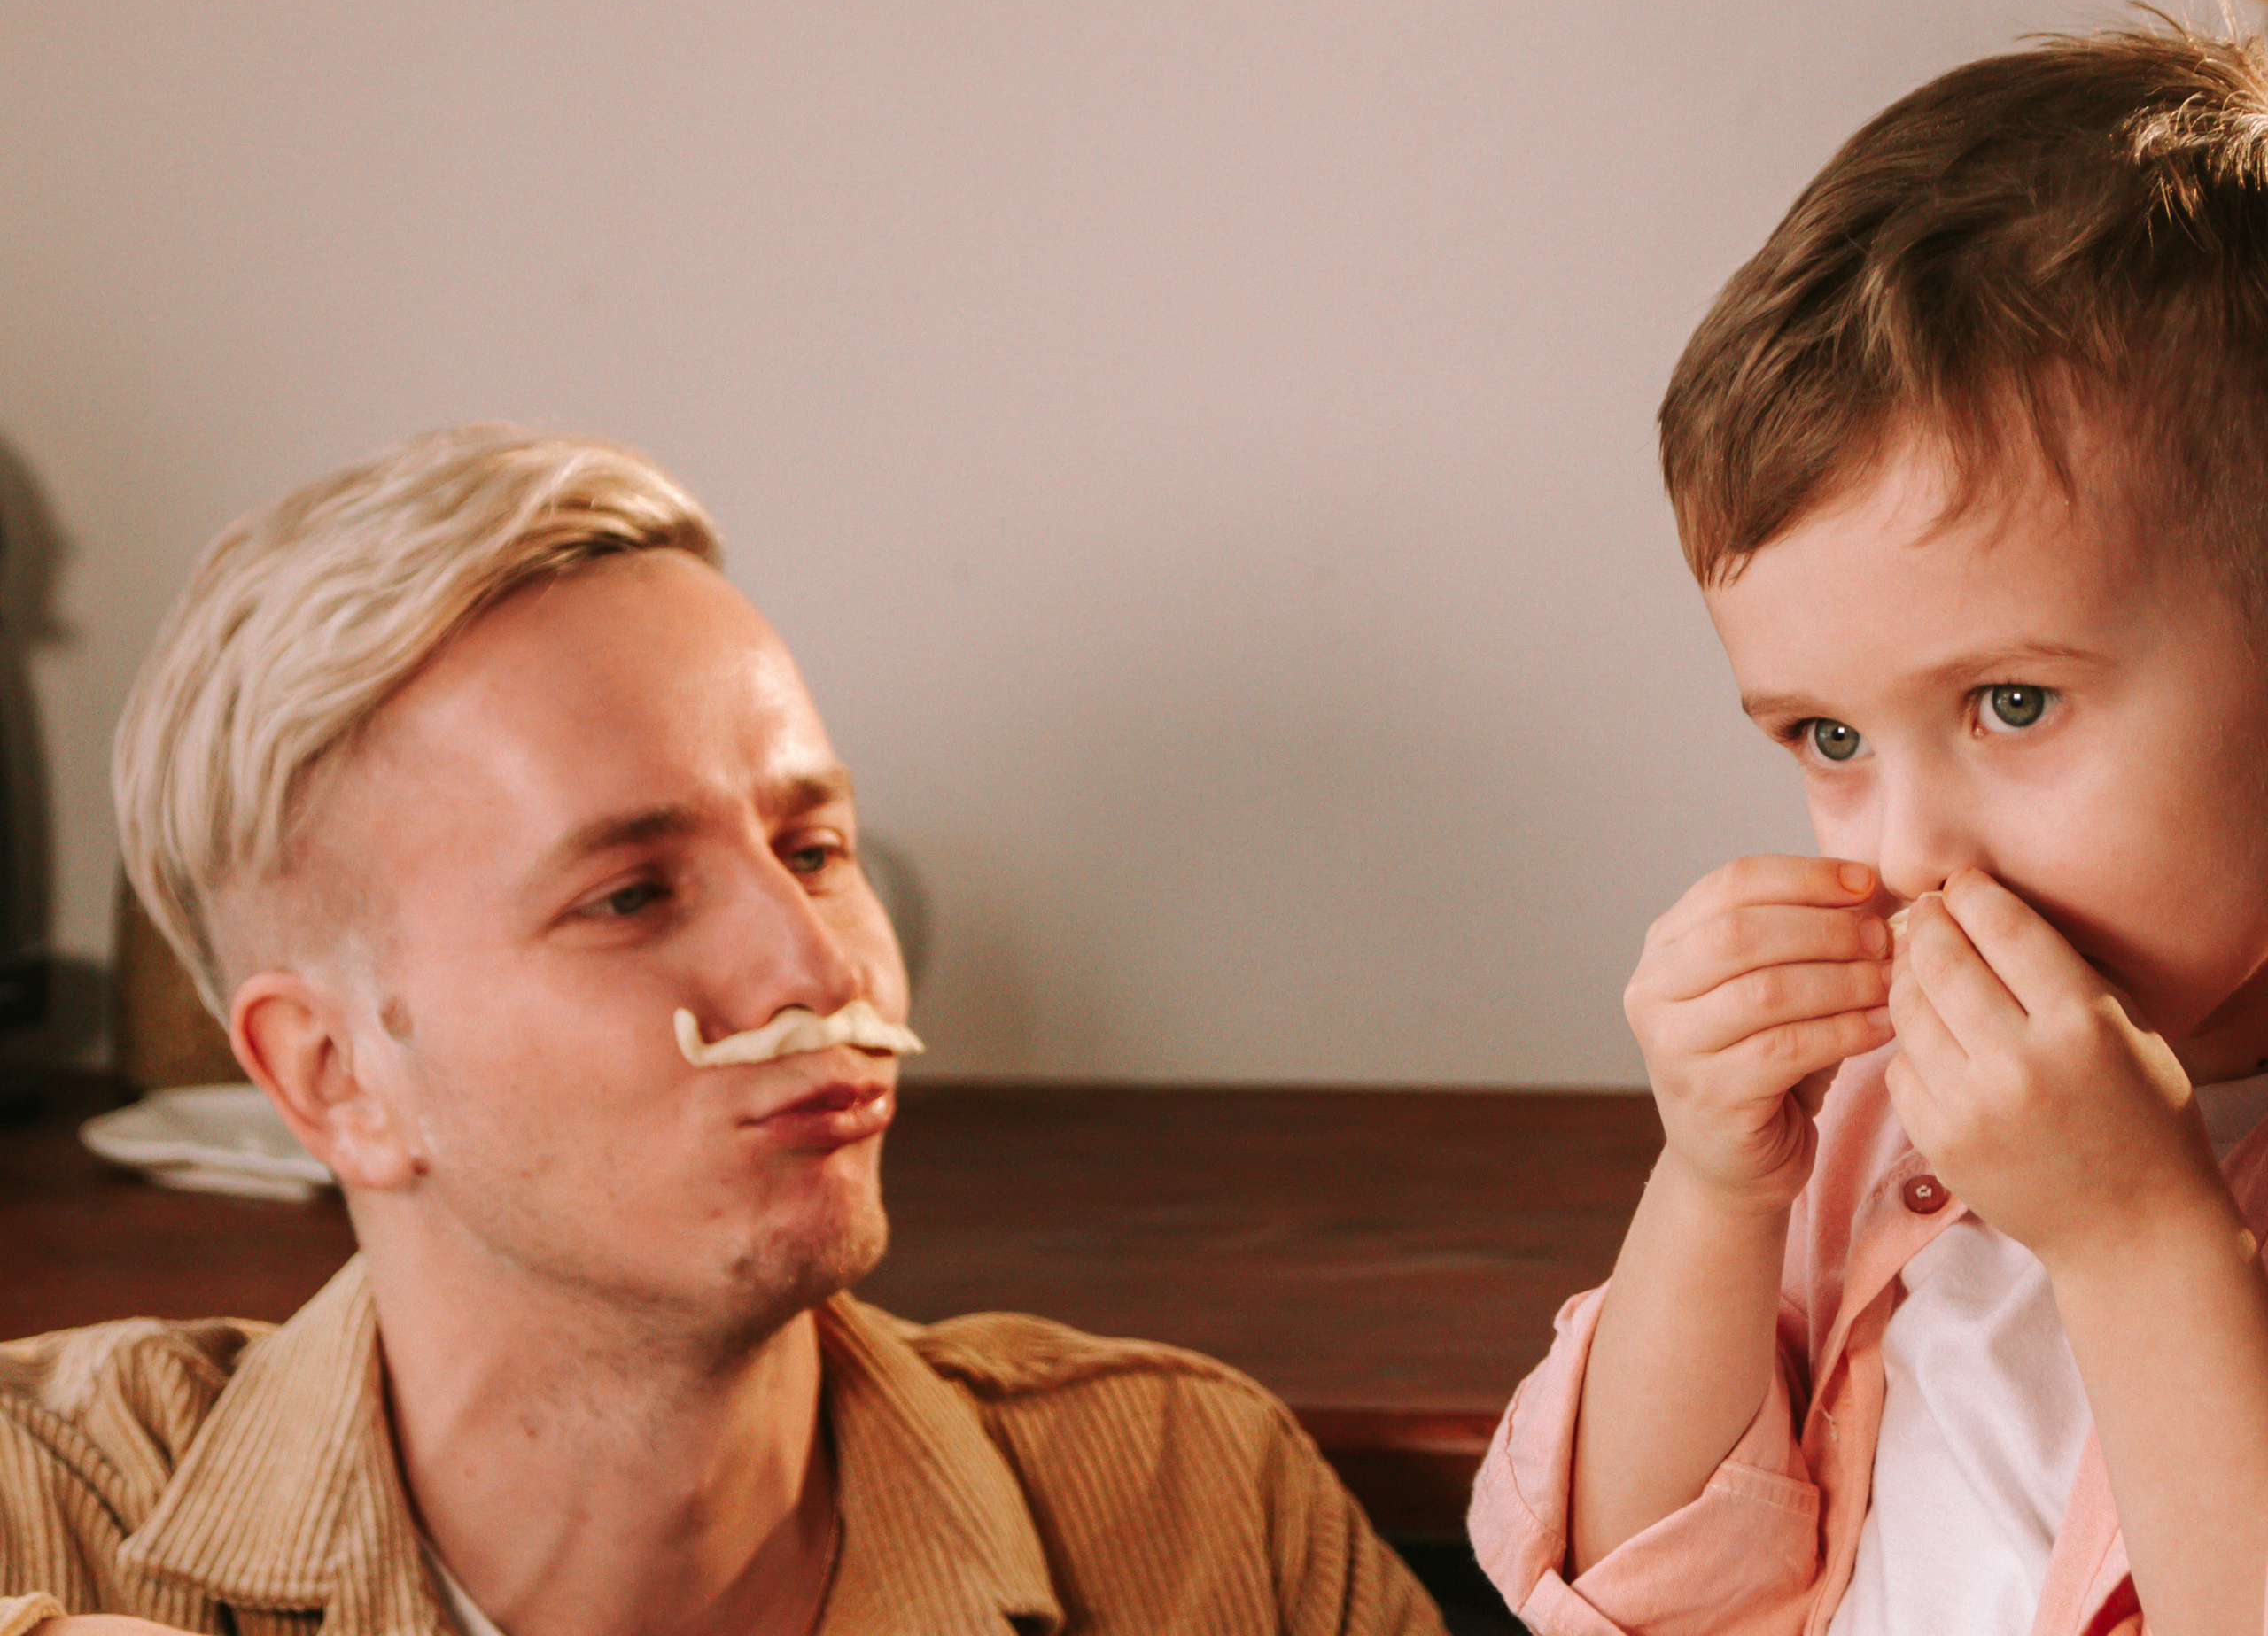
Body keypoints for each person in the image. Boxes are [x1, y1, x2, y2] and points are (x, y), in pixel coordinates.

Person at [0, 426, 1443, 1636]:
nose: (820, 966)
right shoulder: (37, 1516)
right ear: (338, 1081)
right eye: (630, 896)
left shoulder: (1205, 1521)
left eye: (814, 850)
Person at [1471, 21, 2268, 1636]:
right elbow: (1647, 1588)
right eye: (1829, 739)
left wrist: (2136, 1240)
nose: (1909, 858)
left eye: (2012, 703)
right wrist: (1717, 1188)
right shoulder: (1877, 1122)